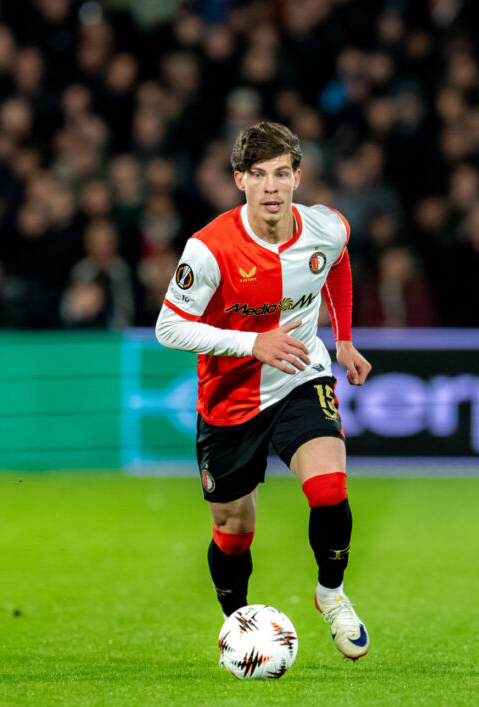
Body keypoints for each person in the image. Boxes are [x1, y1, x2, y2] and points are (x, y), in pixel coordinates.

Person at [155, 121, 372, 660]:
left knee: (329, 489)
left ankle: (332, 594)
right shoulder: (209, 248)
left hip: (301, 375)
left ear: (298, 178)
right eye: (259, 175)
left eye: (281, 174)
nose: (271, 187)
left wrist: (343, 339)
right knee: (233, 531)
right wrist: (252, 344)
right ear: (239, 181)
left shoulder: (326, 227)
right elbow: (168, 326)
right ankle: (240, 625)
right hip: (229, 400)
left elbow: (338, 265)